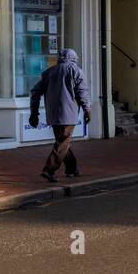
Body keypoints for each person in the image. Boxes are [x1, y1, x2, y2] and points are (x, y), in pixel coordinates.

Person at [29, 48, 91, 182]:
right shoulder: (76, 71)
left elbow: (35, 92)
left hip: (52, 113)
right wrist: (87, 110)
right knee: (63, 142)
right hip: (69, 113)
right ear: (74, 58)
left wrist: (34, 113)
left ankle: (72, 168)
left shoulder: (49, 72)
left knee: (63, 141)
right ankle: (49, 169)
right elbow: (82, 93)